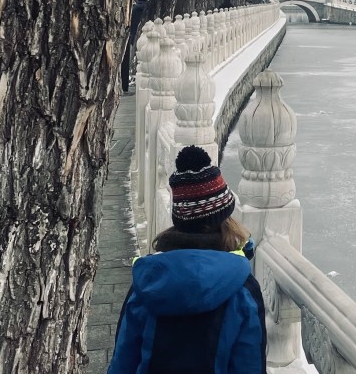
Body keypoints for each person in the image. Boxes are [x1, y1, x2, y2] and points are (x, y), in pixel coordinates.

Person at [108, 146, 266, 374]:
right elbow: (250, 365)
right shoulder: (242, 291)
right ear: (226, 219)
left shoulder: (147, 284)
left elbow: (123, 363)